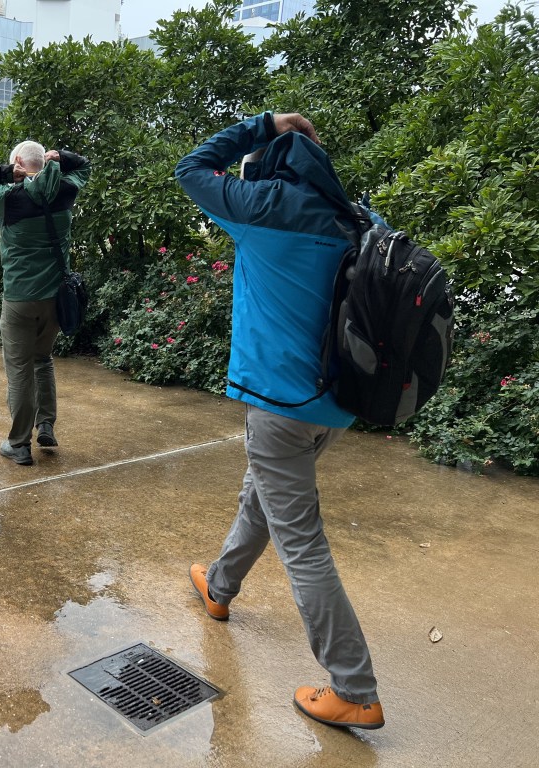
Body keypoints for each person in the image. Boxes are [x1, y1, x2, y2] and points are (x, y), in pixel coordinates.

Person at [174, 112, 385, 730]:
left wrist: (263, 123)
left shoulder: (263, 206)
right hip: (336, 404)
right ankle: (220, 585)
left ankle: (356, 688)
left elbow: (191, 168)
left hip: (281, 405)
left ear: (273, 165)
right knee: (263, 496)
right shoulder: (357, 220)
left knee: (302, 542)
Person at [0, 141, 91, 466]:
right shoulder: (65, 190)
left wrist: (7, 172)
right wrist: (59, 158)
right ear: (46, 164)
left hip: (19, 300)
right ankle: (45, 424)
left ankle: (19, 444)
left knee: (20, 371)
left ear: (19, 162)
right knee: (42, 359)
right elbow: (84, 166)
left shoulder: (10, 197)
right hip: (54, 300)